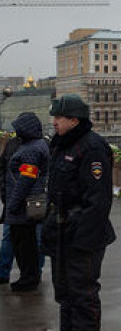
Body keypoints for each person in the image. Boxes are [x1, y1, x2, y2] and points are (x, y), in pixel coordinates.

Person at [41, 94, 116, 331]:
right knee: (64, 286)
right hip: (61, 228)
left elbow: (98, 201)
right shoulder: (62, 145)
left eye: (58, 117)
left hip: (82, 231)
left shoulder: (92, 148)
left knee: (82, 287)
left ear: (74, 119)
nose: (54, 122)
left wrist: (84, 236)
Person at [5, 113, 49, 292]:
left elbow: (25, 179)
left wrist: (13, 204)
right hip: (26, 203)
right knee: (26, 243)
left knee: (24, 245)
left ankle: (28, 278)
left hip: (23, 205)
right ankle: (29, 276)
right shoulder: (35, 145)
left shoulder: (31, 149)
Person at [0, 135, 22, 284]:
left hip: (33, 202)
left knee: (36, 239)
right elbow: (2, 169)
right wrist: (4, 191)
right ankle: (3, 272)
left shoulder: (40, 145)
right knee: (8, 237)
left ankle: (33, 273)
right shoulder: (11, 145)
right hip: (11, 200)